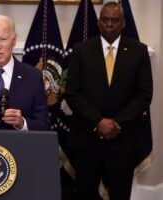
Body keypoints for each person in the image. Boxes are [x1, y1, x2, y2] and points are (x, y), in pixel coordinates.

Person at [65, 2, 153, 200]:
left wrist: (117, 123)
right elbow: (72, 92)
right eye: (105, 20)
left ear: (123, 24)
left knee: (120, 195)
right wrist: (98, 122)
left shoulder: (138, 51)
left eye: (114, 21)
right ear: (98, 23)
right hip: (87, 139)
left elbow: (144, 95)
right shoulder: (81, 50)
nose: (109, 25)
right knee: (85, 194)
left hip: (123, 141)